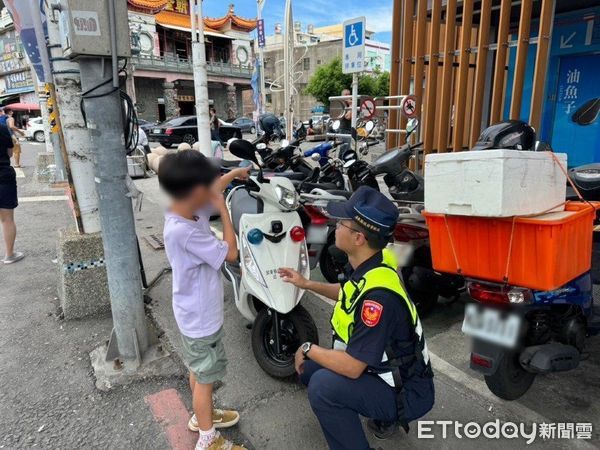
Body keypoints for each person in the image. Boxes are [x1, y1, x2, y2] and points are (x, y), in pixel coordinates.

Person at [278, 186, 435, 450]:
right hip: (386, 370)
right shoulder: (376, 260)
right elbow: (350, 291)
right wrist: (307, 284)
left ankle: (376, 425)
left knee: (323, 387)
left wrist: (307, 347)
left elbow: (352, 367)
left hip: (406, 390)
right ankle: (369, 412)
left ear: (359, 238)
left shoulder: (378, 301)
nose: (335, 227)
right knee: (310, 370)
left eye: (341, 223)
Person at [160, 150, 250, 450]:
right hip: (200, 317)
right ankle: (208, 439)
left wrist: (235, 175)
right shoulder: (184, 231)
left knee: (199, 371)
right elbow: (231, 254)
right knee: (206, 376)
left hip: (191, 311)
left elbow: (213, 189)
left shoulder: (181, 209)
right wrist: (223, 210)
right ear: (195, 191)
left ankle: (203, 416)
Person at [0, 119, 24, 264]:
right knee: (7, 219)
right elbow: (9, 153)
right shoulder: (2, 129)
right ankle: (9, 255)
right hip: (3, 175)